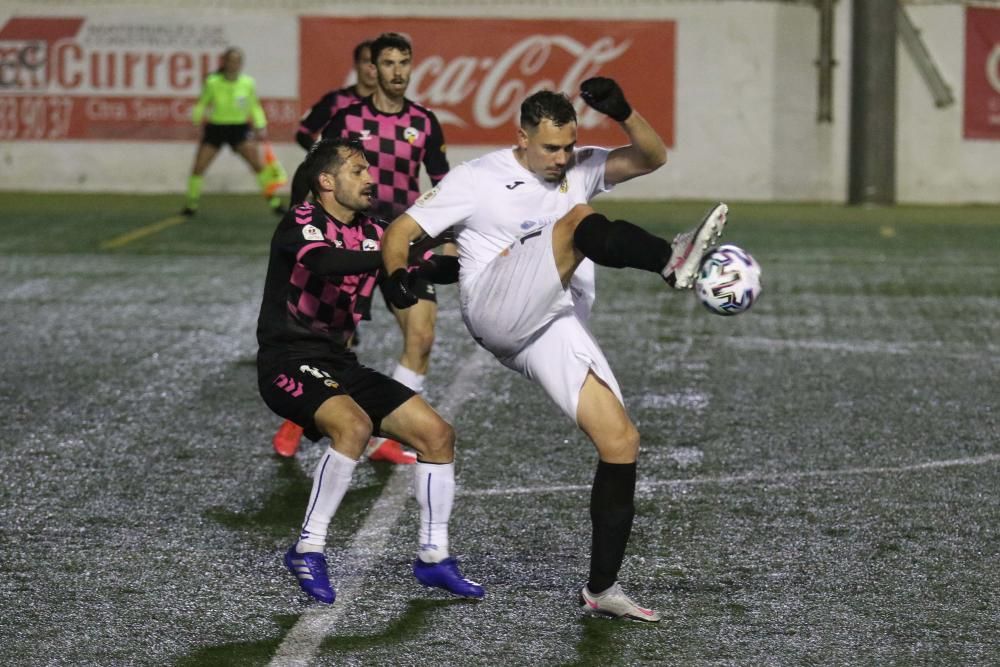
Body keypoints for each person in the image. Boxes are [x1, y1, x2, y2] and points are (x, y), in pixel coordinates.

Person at [381, 78, 729, 621]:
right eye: (550, 148)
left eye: (569, 146)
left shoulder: (579, 166)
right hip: (495, 305)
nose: (562, 159)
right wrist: (398, 274)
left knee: (620, 440)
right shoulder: (477, 178)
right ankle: (670, 259)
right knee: (575, 222)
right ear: (521, 137)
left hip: (552, 321)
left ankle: (602, 588)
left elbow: (651, 157)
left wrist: (625, 110)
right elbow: (401, 228)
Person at [256, 136, 481, 604]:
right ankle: (308, 548)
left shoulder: (375, 230)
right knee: (353, 426)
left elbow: (427, 268)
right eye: (357, 171)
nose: (369, 178)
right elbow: (325, 263)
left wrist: (477, 257)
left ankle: (434, 557)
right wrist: (398, 257)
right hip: (287, 360)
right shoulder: (302, 220)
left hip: (340, 363)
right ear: (325, 181)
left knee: (437, 434)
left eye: (368, 170)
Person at [272, 32, 450, 465]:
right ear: (372, 69)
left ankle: (389, 438)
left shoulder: (425, 122)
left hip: (403, 242)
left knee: (422, 335)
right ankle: (298, 419)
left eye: (404, 63)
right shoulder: (347, 119)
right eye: (388, 63)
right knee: (334, 340)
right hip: (352, 239)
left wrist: (447, 236)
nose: (397, 72)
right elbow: (314, 170)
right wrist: (302, 219)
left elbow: (444, 185)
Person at [183, 47, 284, 217]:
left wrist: (261, 124)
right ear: (224, 62)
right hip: (216, 128)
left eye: (237, 61)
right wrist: (196, 118)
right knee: (198, 167)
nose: (233, 64)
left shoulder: (248, 83)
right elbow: (202, 102)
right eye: (230, 60)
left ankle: (275, 202)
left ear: (241, 64)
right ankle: (190, 205)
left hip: (239, 128)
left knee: (258, 166)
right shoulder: (213, 82)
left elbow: (254, 105)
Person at [294, 40, 378, 151]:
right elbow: (303, 133)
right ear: (356, 65)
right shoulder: (336, 100)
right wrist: (324, 158)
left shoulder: (394, 105)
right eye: (366, 61)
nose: (371, 68)